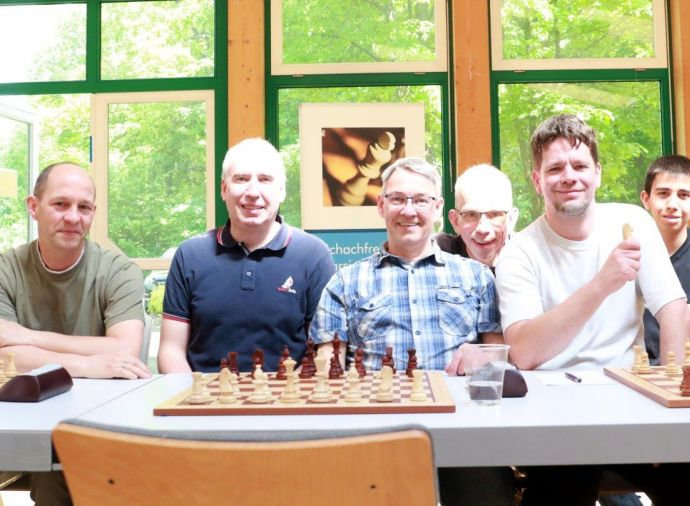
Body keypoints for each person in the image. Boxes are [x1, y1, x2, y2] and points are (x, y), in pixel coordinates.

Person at [495, 115, 690, 505]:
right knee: (558, 492)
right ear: (537, 180)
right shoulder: (519, 252)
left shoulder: (631, 222)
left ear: (598, 173)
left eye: (580, 165)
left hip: (631, 403)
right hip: (554, 413)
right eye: (555, 168)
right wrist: (602, 283)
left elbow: (673, 311)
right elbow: (524, 352)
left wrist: (671, 400)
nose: (569, 176)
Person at [310, 157, 514, 506]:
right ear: (381, 205)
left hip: (465, 435)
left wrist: (482, 358)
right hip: (376, 436)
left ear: (437, 208)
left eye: (420, 200)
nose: (409, 210)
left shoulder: (477, 277)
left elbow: (498, 364)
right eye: (398, 199)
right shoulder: (344, 283)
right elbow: (327, 375)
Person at [0, 162, 150, 506]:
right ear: (33, 207)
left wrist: (29, 337)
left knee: (61, 469)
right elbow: (5, 355)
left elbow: (125, 350)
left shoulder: (119, 271)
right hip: (16, 412)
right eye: (60, 204)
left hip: (96, 419)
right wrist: (88, 364)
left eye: (84, 207)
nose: (72, 217)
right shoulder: (5, 270)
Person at [158, 138, 335, 373]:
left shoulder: (314, 255)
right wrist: (194, 394)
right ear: (224, 189)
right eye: (241, 179)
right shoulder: (190, 255)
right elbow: (171, 351)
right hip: (203, 393)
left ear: (282, 190)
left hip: (289, 393)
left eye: (265, 179)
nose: (252, 192)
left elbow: (325, 352)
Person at [639, 155, 690, 364]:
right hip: (641, 370)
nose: (672, 204)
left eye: (683, 195)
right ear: (646, 199)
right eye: (663, 194)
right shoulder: (628, 252)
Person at [435, 163, 518, 269]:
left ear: (511, 220)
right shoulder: (437, 253)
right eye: (471, 215)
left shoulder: (530, 256)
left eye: (494, 214)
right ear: (455, 221)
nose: (483, 229)